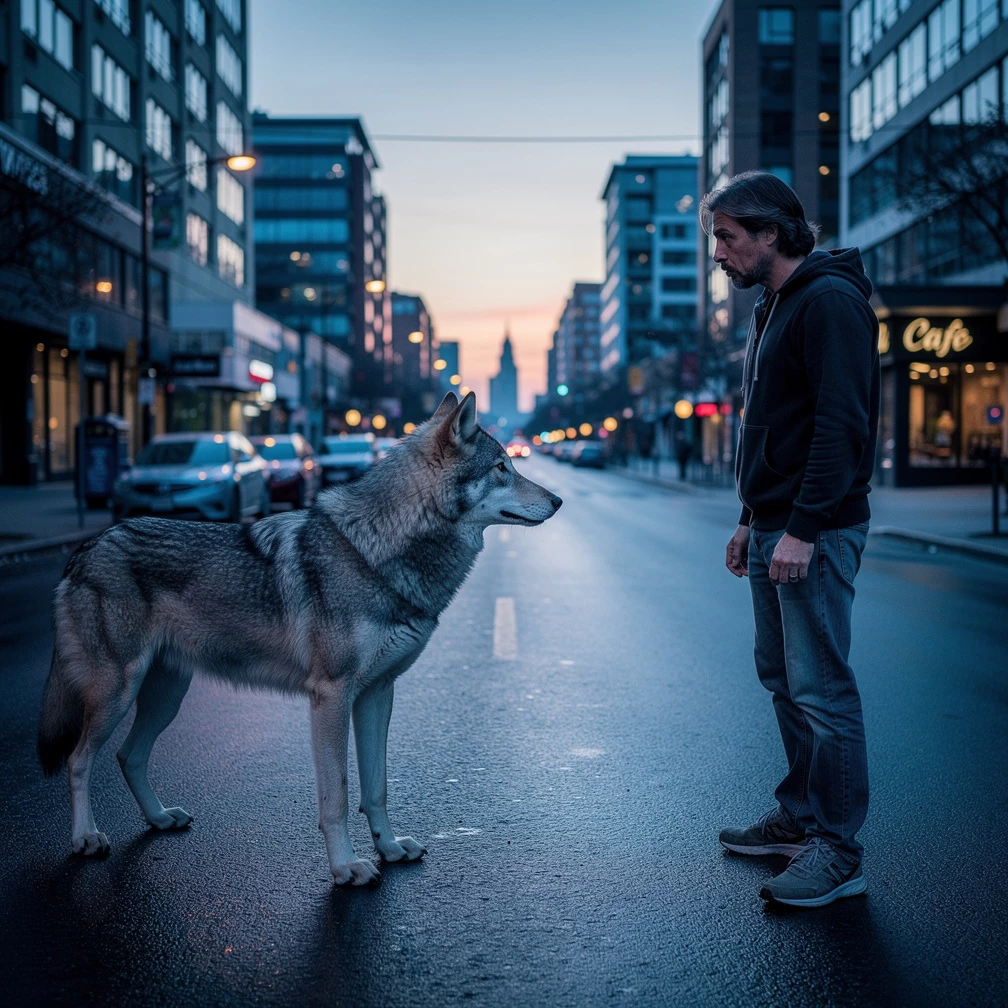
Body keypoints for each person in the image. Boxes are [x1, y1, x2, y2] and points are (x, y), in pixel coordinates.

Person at [700, 171, 879, 909]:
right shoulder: (773, 304)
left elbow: (842, 425)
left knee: (822, 688)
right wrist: (751, 516)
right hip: (775, 522)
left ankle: (838, 851)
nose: (720, 253)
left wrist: (803, 528)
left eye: (728, 237)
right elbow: (769, 422)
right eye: (717, 238)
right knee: (782, 679)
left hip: (819, 528)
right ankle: (800, 819)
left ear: (772, 233)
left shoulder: (831, 302)